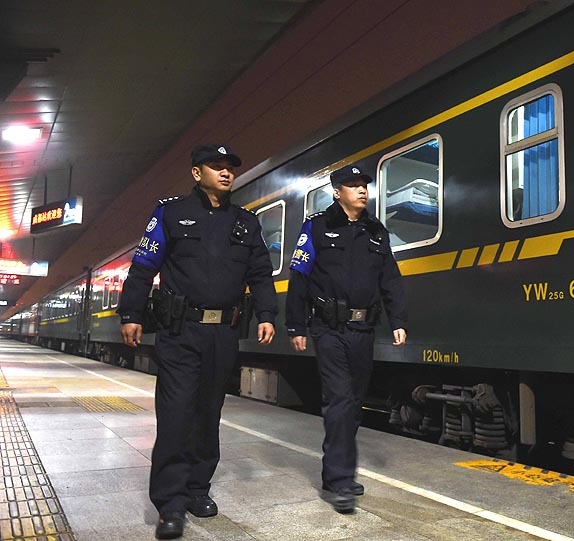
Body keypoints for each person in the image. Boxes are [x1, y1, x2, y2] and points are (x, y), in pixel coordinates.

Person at [117, 144, 278, 539]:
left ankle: (197, 489)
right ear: (196, 173)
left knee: (208, 413)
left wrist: (268, 315)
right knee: (176, 415)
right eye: (216, 167)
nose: (226, 173)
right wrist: (131, 314)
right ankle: (170, 504)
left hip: (223, 333)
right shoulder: (170, 214)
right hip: (180, 332)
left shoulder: (246, 223)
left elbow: (260, 274)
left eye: (230, 168)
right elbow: (143, 266)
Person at [285, 164, 407, 513]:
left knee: (353, 403)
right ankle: (341, 481)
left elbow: (391, 279)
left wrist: (397, 319)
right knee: (339, 399)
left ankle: (333, 472)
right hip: (329, 329)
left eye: (364, 185)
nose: (361, 190)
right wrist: (296, 326)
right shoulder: (318, 226)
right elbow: (300, 277)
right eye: (352, 185)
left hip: (363, 330)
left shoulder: (376, 232)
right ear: (337, 191)